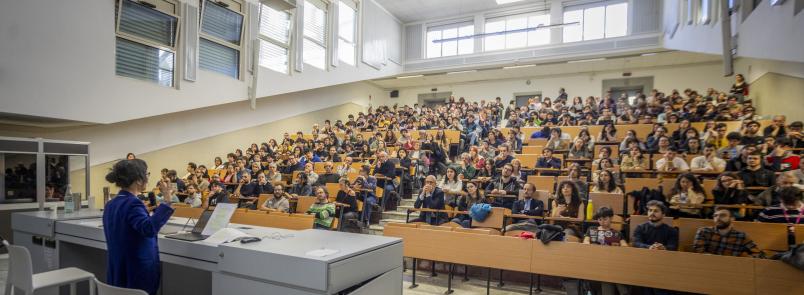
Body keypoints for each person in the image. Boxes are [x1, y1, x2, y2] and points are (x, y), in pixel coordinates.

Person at [103, 159, 174, 295]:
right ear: (139, 180)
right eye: (147, 174)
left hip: (117, 271)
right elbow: (148, 229)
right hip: (136, 274)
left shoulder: (111, 204)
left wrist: (144, 212)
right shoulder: (133, 204)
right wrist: (167, 201)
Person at [693, 208, 764, 257]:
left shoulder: (741, 236)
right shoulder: (704, 231)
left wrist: (745, 258)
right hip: (708, 266)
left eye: (722, 215)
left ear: (732, 219)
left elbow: (758, 254)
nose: (717, 218)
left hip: (733, 269)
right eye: (715, 216)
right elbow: (698, 251)